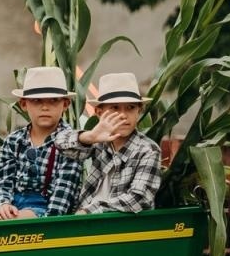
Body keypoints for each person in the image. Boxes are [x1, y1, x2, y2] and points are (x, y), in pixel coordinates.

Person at [54, 72, 163, 214]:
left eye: (130, 108)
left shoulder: (147, 150)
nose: (123, 115)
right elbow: (60, 143)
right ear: (99, 112)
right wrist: (91, 136)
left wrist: (89, 210)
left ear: (139, 111)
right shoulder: (99, 142)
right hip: (87, 219)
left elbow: (138, 198)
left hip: (120, 225)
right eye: (115, 108)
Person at [0, 66, 83, 219]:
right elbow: (3, 181)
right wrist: (2, 204)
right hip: (14, 203)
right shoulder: (14, 140)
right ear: (24, 104)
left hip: (45, 209)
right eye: (37, 101)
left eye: (53, 100)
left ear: (65, 104)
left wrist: (49, 221)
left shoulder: (70, 143)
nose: (45, 107)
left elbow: (64, 191)